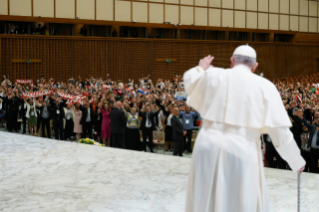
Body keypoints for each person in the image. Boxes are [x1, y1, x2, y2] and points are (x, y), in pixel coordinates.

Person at [184, 45, 305, 212]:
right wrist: (296, 160)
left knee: (204, 198)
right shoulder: (265, 86)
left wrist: (201, 67)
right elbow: (279, 131)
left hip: (205, 147)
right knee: (238, 202)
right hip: (240, 150)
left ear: (232, 61)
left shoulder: (213, 75)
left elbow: (190, 79)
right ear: (255, 66)